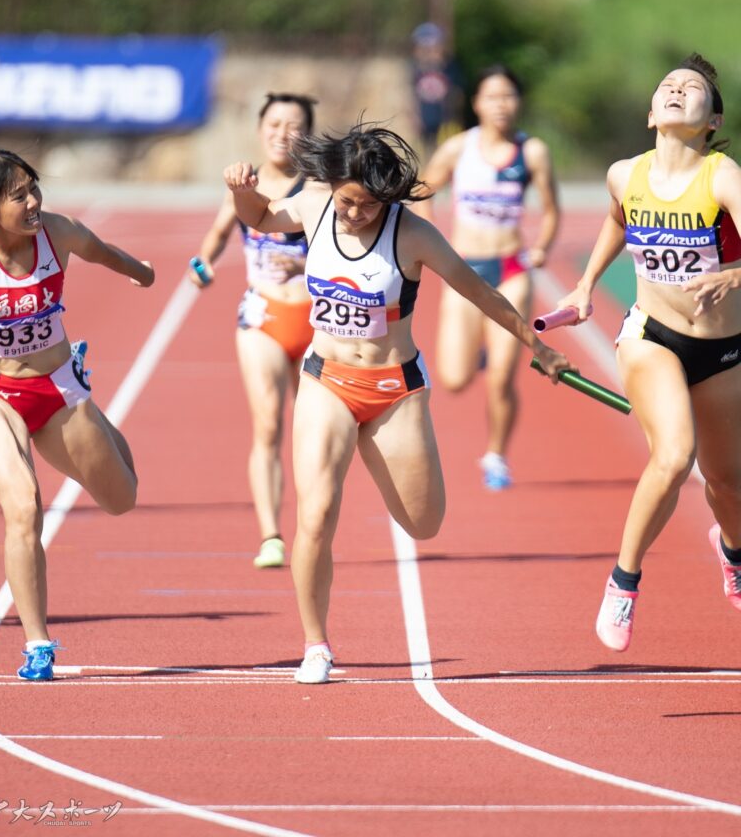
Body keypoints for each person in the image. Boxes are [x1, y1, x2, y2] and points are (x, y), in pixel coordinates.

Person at [224, 124, 571, 683]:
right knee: (315, 514)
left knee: (423, 523)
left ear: (386, 198)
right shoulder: (314, 206)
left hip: (394, 391)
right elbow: (261, 218)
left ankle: (389, 460)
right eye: (345, 202)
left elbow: (480, 293)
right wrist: (241, 190)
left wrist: (541, 349)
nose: (353, 214)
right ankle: (316, 645)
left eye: (365, 205)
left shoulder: (414, 235)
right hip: (325, 380)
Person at [557, 53, 741, 652]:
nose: (678, 90)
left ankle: (732, 550)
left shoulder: (722, 176)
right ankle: (623, 582)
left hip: (722, 348)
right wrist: (585, 286)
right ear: (650, 115)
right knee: (675, 454)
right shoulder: (623, 174)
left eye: (692, 89)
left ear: (711, 120)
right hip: (651, 336)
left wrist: (734, 278)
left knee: (728, 481)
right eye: (668, 85)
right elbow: (619, 218)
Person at [0, 148, 154, 680]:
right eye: (18, 196)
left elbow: (103, 253)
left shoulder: (57, 232)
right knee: (24, 507)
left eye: (34, 189)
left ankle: (88, 398)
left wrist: (141, 272)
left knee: (122, 498)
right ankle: (37, 644)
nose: (33, 202)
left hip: (56, 390)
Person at [190, 93, 317, 569]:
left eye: (294, 124)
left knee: (312, 432)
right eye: (274, 123)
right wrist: (202, 263)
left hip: (317, 323)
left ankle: (313, 523)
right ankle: (270, 535)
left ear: (308, 133)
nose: (282, 132)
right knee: (268, 424)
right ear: (260, 129)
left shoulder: (319, 186)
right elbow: (221, 232)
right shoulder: (247, 185)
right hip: (262, 316)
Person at [419, 64, 561, 490]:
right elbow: (422, 191)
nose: (501, 104)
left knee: (502, 377)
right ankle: (478, 350)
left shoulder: (531, 151)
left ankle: (496, 455)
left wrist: (541, 248)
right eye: (492, 96)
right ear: (476, 103)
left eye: (508, 96)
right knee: (455, 379)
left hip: (511, 271)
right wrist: (432, 241)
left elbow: (552, 209)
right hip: (465, 273)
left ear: (517, 102)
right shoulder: (457, 149)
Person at [410, 22, 465, 161]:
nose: (430, 51)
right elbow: (410, 93)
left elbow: (458, 92)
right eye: (425, 47)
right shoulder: (415, 68)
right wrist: (412, 115)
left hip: (445, 119)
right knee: (425, 154)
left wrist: (455, 115)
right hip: (424, 119)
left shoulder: (450, 67)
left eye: (434, 46)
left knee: (445, 152)